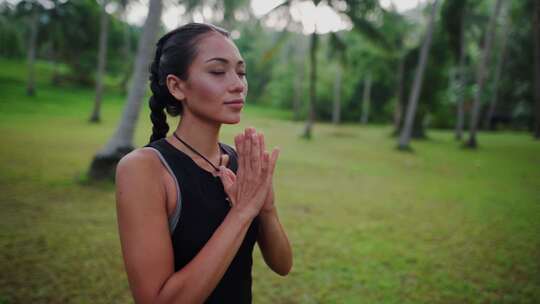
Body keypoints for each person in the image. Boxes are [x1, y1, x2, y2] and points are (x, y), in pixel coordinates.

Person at [115, 23, 293, 304]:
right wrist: (242, 213)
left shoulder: (237, 161)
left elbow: (282, 265)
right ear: (177, 86)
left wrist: (266, 207)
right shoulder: (144, 169)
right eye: (218, 71)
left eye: (241, 72)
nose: (237, 84)